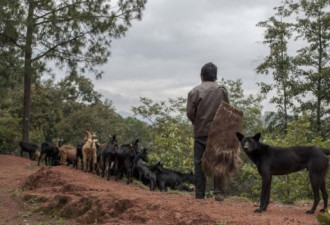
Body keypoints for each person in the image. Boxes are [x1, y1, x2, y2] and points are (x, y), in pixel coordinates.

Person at [186, 62, 230, 200]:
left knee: (199, 163)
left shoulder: (195, 91)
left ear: (202, 76)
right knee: (218, 161)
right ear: (215, 76)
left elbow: (190, 112)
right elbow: (227, 109)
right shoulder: (222, 90)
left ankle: (200, 195)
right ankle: (218, 192)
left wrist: (197, 122)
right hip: (218, 132)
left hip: (200, 132)